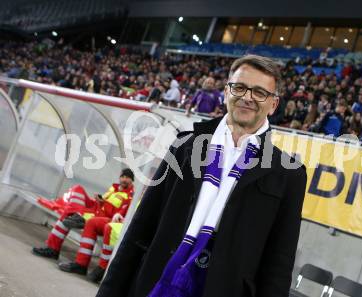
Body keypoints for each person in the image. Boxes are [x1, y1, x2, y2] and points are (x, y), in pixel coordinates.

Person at [96, 55, 307, 297]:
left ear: (273, 104)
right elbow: (142, 226)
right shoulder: (186, 146)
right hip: (157, 279)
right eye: (239, 87)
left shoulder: (288, 174)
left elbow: (278, 266)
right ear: (226, 92)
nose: (247, 97)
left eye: (259, 92)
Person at [32, 168, 135, 260]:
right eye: (122, 177)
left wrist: (103, 203)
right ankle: (75, 214)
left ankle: (52, 249)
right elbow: (100, 205)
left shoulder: (130, 197)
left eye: (127, 178)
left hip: (100, 219)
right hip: (94, 210)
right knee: (77, 188)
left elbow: (116, 217)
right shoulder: (113, 189)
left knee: (67, 217)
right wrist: (99, 200)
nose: (124, 179)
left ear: (132, 180)